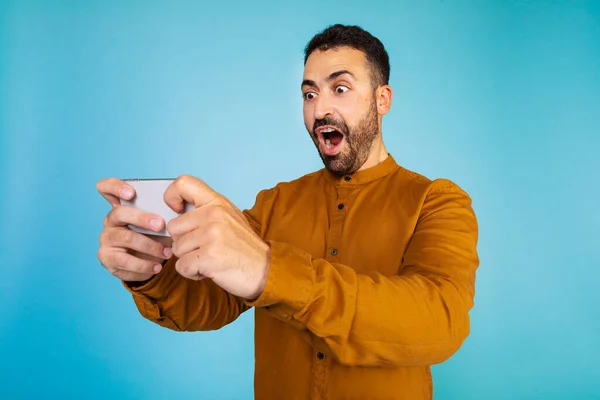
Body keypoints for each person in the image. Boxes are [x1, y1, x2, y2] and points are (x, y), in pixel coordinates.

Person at [96, 24, 479, 400]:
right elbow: (206, 304)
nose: (320, 109)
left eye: (340, 89)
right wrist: (150, 270)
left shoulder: (437, 201)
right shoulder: (275, 204)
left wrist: (269, 270)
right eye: (309, 94)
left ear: (383, 100)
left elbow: (439, 322)